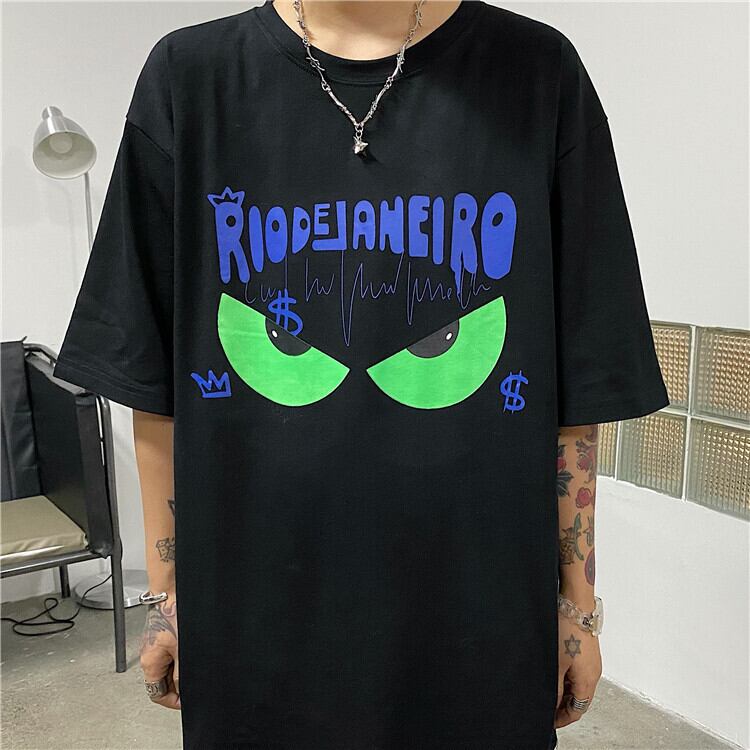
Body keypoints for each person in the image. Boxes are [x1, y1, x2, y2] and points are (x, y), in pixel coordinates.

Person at [53, 0, 670, 747]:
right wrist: (166, 596)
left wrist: (577, 606)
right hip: (255, 624)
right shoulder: (192, 77)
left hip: (481, 624)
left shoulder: (539, 73)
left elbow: (581, 384)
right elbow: (150, 377)